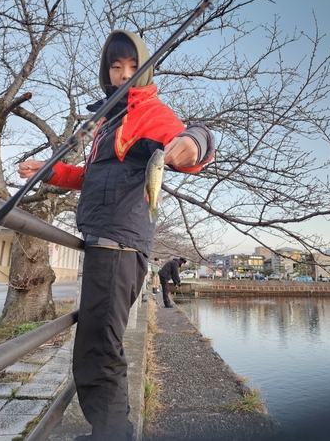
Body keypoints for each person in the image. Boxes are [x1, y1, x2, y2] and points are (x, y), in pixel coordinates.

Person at [18, 30, 215, 441]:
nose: (124, 74)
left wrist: (193, 143)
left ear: (144, 72)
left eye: (133, 67)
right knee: (99, 345)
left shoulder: (148, 112)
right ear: (107, 72)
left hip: (118, 245)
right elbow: (91, 178)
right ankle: (111, 431)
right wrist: (48, 170)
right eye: (116, 67)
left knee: (99, 351)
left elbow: (192, 139)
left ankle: (113, 435)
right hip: (103, 242)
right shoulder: (110, 121)